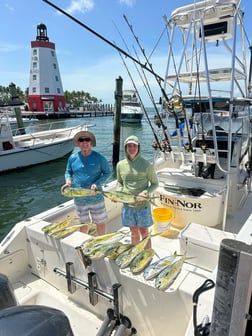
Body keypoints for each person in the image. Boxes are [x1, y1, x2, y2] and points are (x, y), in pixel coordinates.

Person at [61, 131, 111, 235]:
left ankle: (102, 245)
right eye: (81, 140)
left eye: (87, 140)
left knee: (100, 223)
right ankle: (84, 245)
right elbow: (68, 172)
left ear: (91, 142)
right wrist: (68, 182)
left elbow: (107, 173)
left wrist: (97, 183)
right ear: (78, 143)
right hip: (79, 199)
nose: (84, 142)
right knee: (83, 224)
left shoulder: (99, 158)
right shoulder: (72, 158)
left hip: (96, 197)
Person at [116, 135, 159, 248]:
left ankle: (146, 254)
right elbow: (119, 182)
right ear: (125, 148)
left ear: (138, 147)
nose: (131, 148)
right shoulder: (120, 165)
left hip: (142, 205)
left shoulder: (146, 165)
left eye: (134, 146)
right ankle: (135, 253)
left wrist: (146, 192)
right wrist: (118, 194)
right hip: (127, 205)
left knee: (144, 232)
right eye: (129, 146)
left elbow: (155, 184)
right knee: (134, 232)